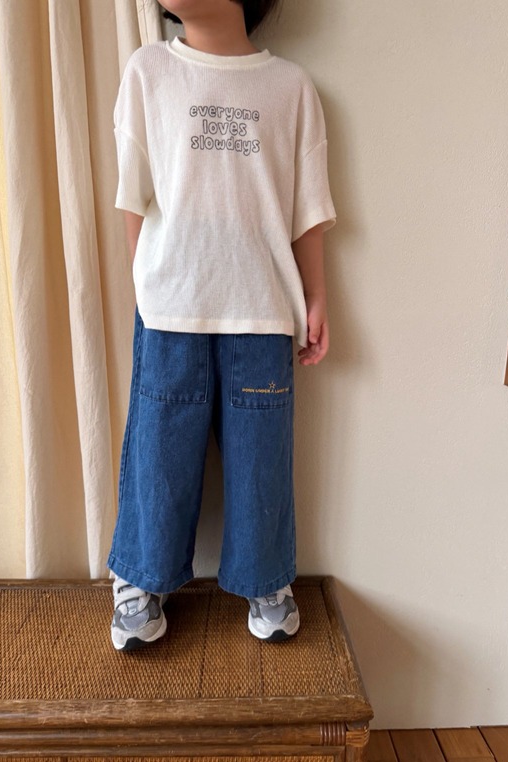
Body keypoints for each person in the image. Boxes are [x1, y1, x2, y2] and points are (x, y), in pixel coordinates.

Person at [108, 0, 337, 651]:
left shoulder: (290, 87)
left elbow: (308, 206)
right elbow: (133, 193)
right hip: (171, 308)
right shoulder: (149, 71)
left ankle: (266, 576)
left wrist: (316, 295)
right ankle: (140, 575)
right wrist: (146, 283)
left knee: (261, 451)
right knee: (159, 447)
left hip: (262, 308)